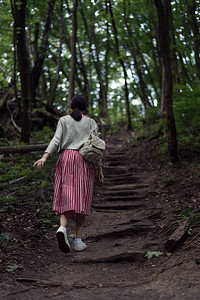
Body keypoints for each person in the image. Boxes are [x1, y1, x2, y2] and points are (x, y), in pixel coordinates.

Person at [33, 95, 104, 253]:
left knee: (66, 195)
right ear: (86, 106)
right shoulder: (91, 122)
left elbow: (56, 140)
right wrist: (100, 169)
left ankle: (63, 228)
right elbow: (96, 147)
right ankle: (78, 240)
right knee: (81, 197)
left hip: (66, 159)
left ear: (71, 106)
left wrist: (44, 157)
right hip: (84, 160)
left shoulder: (63, 120)